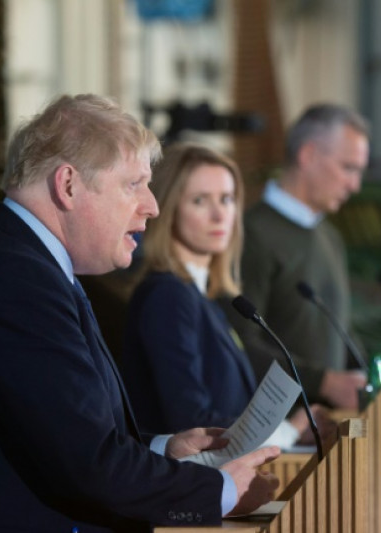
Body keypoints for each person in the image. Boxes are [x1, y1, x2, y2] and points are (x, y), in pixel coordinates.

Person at [0, 94, 280, 533]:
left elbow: (61, 436)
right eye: (133, 184)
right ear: (68, 185)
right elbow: (86, 463)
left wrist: (161, 451)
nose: (152, 205)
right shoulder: (13, 278)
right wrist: (219, 491)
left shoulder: (27, 264)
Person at [120, 142, 333, 445]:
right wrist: (289, 431)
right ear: (167, 208)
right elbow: (191, 421)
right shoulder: (167, 296)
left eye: (227, 199)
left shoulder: (200, 296)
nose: (220, 215)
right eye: (200, 200)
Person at [224, 104, 369, 410]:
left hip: (326, 423)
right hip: (276, 427)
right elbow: (238, 344)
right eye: (348, 168)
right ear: (309, 155)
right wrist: (324, 383)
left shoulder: (330, 237)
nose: (355, 185)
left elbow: (337, 330)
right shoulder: (251, 234)